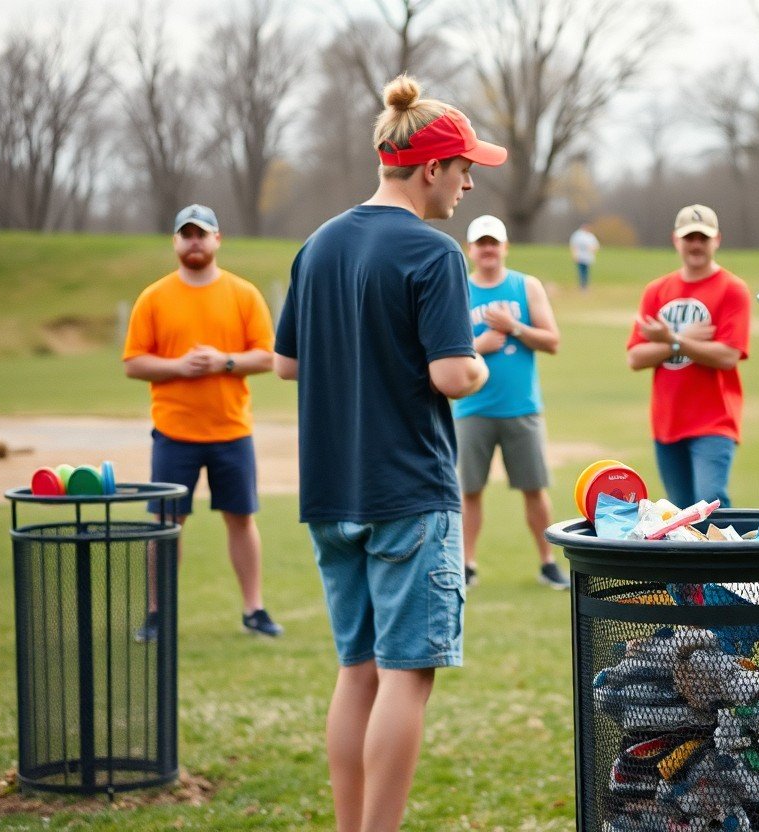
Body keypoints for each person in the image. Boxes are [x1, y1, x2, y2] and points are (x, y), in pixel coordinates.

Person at [272, 75, 502, 832]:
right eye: (465, 167)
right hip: (408, 493)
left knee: (357, 670)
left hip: (332, 493)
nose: (469, 183)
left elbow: (288, 364)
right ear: (430, 168)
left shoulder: (320, 243)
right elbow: (450, 373)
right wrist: (479, 361)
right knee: (406, 676)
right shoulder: (434, 254)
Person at [123, 203, 282, 641]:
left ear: (217, 239)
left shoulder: (243, 294)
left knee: (241, 519)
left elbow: (267, 356)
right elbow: (133, 363)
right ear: (175, 241)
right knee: (165, 524)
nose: (195, 241)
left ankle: (255, 609)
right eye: (186, 233)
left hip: (232, 430)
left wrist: (223, 361)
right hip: (175, 432)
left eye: (202, 233)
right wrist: (179, 368)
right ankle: (158, 612)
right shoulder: (154, 297)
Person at [457, 214, 566, 590]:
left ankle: (548, 562)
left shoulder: (526, 286)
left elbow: (552, 341)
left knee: (534, 489)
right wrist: (479, 346)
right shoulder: (458, 288)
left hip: (522, 407)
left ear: (504, 247)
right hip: (471, 408)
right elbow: (442, 351)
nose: (488, 249)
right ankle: (466, 564)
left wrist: (514, 327)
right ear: (471, 249)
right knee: (469, 491)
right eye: (480, 243)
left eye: (493, 242)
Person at [626, 204, 751, 509]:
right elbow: (636, 357)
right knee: (679, 515)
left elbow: (727, 355)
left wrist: (674, 339)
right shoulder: (657, 291)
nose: (696, 244)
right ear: (675, 240)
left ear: (717, 240)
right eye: (689, 237)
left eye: (703, 238)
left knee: (710, 505)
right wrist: (676, 343)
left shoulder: (732, 289)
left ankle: (727, 559)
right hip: (667, 421)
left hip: (714, 421)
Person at [569, 222, 600, 290]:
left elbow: (596, 246)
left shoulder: (591, 236)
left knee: (586, 272)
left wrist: (593, 249)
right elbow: (573, 245)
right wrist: (574, 254)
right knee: (581, 272)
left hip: (588, 257)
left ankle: (586, 285)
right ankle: (581, 285)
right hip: (580, 256)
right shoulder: (577, 235)